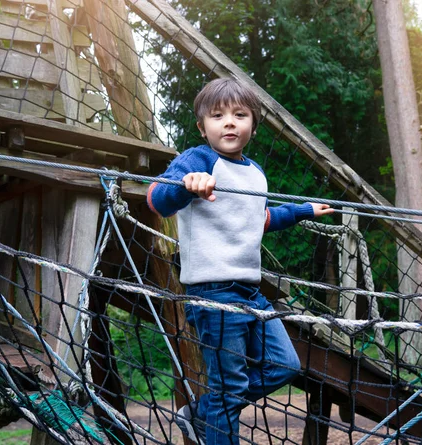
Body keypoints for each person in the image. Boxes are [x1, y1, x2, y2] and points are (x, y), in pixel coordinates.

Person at [147, 78, 333, 445]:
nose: (229, 122)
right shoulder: (198, 160)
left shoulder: (255, 173)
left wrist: (301, 211)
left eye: (239, 114)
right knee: (229, 388)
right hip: (214, 293)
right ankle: (216, 411)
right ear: (203, 127)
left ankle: (204, 413)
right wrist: (186, 184)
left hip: (250, 292)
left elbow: (259, 219)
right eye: (217, 116)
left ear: (253, 124)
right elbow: (157, 198)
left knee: (284, 366)